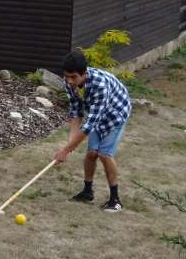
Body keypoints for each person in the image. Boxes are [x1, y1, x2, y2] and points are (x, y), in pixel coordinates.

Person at [54, 48, 132, 211]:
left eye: (73, 77)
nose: (69, 81)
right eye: (67, 76)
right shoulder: (70, 82)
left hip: (117, 112)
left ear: (84, 73)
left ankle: (115, 200)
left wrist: (66, 150)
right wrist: (70, 144)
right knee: (91, 153)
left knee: (104, 154)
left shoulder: (99, 86)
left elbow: (89, 125)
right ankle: (87, 192)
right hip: (98, 113)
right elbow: (76, 111)